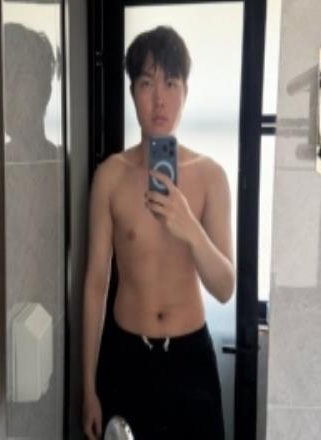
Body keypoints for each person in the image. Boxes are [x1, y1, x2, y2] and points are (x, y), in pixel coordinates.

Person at [82, 25, 235, 440]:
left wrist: (190, 228)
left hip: (190, 359)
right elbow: (95, 284)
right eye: (147, 83)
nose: (159, 99)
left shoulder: (211, 177)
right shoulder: (110, 177)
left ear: (185, 91)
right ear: (133, 92)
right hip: (125, 355)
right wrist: (87, 388)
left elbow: (224, 288)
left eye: (171, 83)